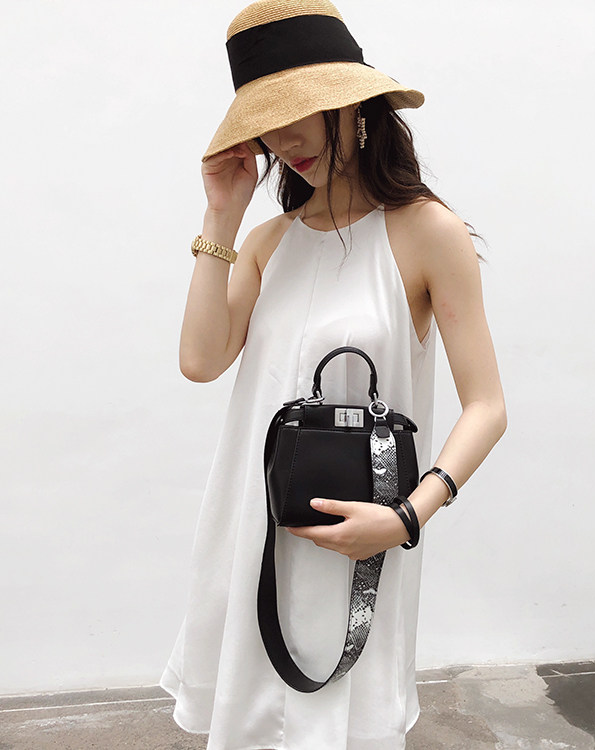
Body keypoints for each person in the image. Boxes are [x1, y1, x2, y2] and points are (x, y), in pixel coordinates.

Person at [160, 1, 508, 748]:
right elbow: (200, 361)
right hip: (255, 528)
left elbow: (487, 407)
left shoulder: (426, 232)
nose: (283, 141)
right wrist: (221, 215)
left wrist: (408, 516)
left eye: (300, 113)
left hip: (361, 534)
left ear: (353, 104)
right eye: (266, 122)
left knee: (343, 723)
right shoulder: (268, 241)